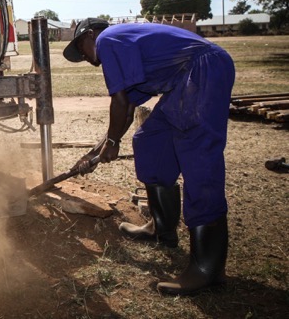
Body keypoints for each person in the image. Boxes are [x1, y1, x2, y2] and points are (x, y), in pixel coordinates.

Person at [63, 18, 235, 295]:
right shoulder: (128, 48)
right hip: (184, 80)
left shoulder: (109, 39)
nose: (83, 56)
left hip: (204, 70)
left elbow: (119, 103)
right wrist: (97, 150)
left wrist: (112, 142)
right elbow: (127, 108)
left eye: (81, 46)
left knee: (198, 159)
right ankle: (162, 228)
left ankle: (208, 268)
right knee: (150, 141)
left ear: (93, 34)